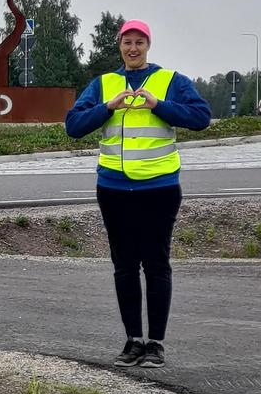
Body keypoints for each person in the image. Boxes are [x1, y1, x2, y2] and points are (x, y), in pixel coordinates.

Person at [65, 20, 210, 368]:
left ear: (148, 45)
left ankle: (155, 344)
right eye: (127, 42)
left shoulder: (171, 81)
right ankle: (132, 340)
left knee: (156, 264)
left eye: (139, 42)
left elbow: (201, 117)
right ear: (119, 46)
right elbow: (73, 125)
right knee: (124, 265)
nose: (133, 48)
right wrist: (107, 107)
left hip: (159, 188)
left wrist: (158, 104)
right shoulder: (103, 84)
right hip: (114, 188)